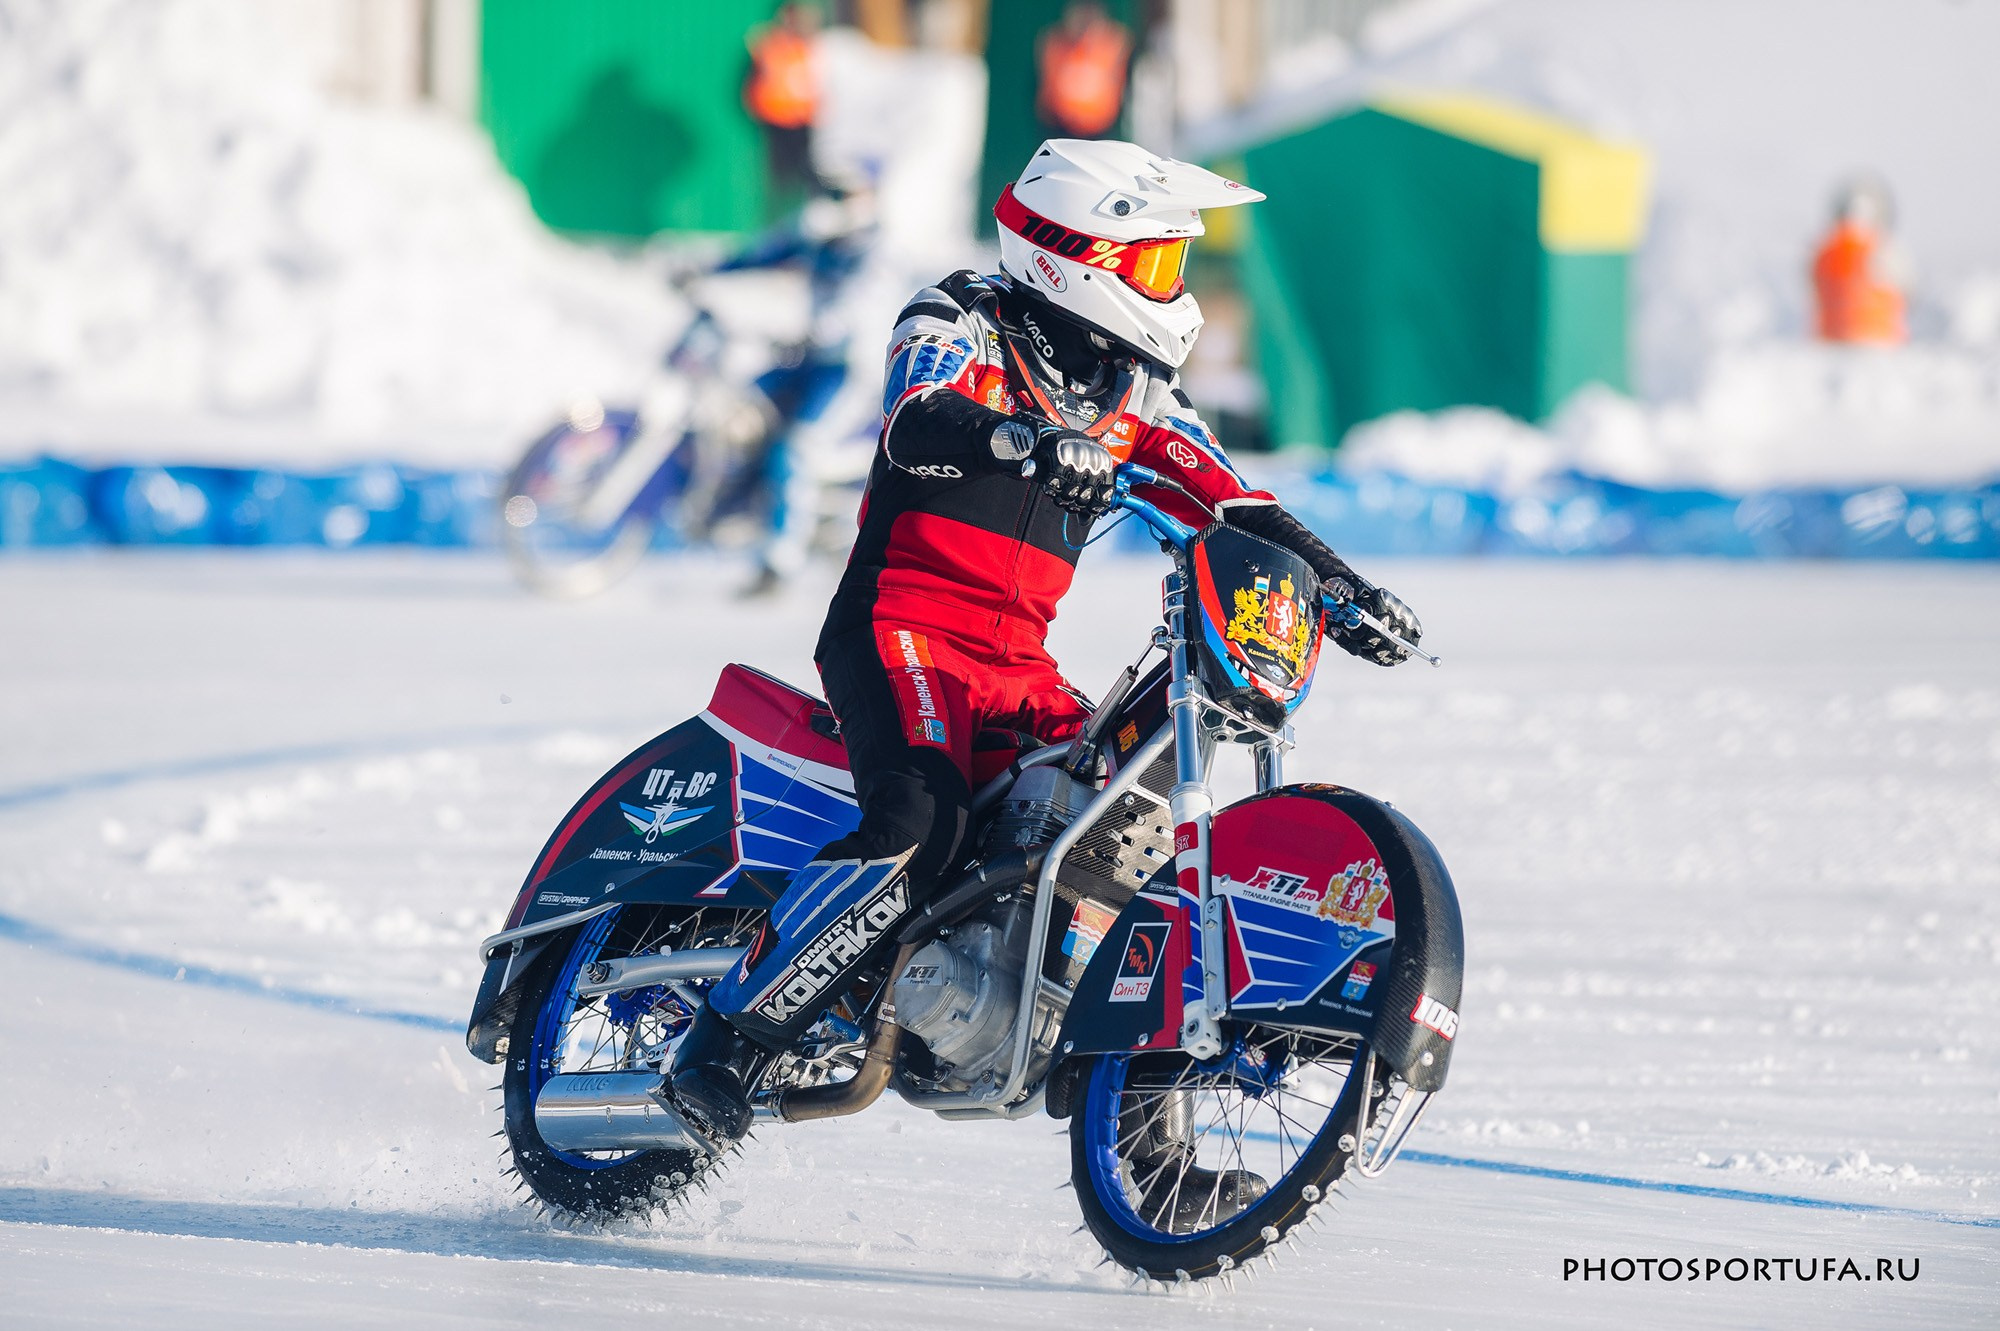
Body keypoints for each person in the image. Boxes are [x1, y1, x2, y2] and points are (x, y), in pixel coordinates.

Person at [663, 139, 1423, 1160]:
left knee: (1125, 827)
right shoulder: (962, 316)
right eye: (1152, 261)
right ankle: (723, 1040)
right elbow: (914, 423)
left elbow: (1235, 502)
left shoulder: (1135, 390)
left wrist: (1341, 586)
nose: (1172, 288)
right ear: (1075, 245)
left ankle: (1145, 1136)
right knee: (914, 827)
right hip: (903, 630)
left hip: (1012, 663)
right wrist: (1020, 439)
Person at [1812, 175, 1909, 345]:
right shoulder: (1885, 249)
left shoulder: (1824, 250)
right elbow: (1909, 290)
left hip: (1829, 340)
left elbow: (1812, 285)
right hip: (1880, 341)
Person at [1036, 2, 1132, 138]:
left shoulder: (1116, 42)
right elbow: (1045, 92)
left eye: (1091, 12)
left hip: (1102, 131)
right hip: (1060, 129)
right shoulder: (1055, 43)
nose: (1086, 20)